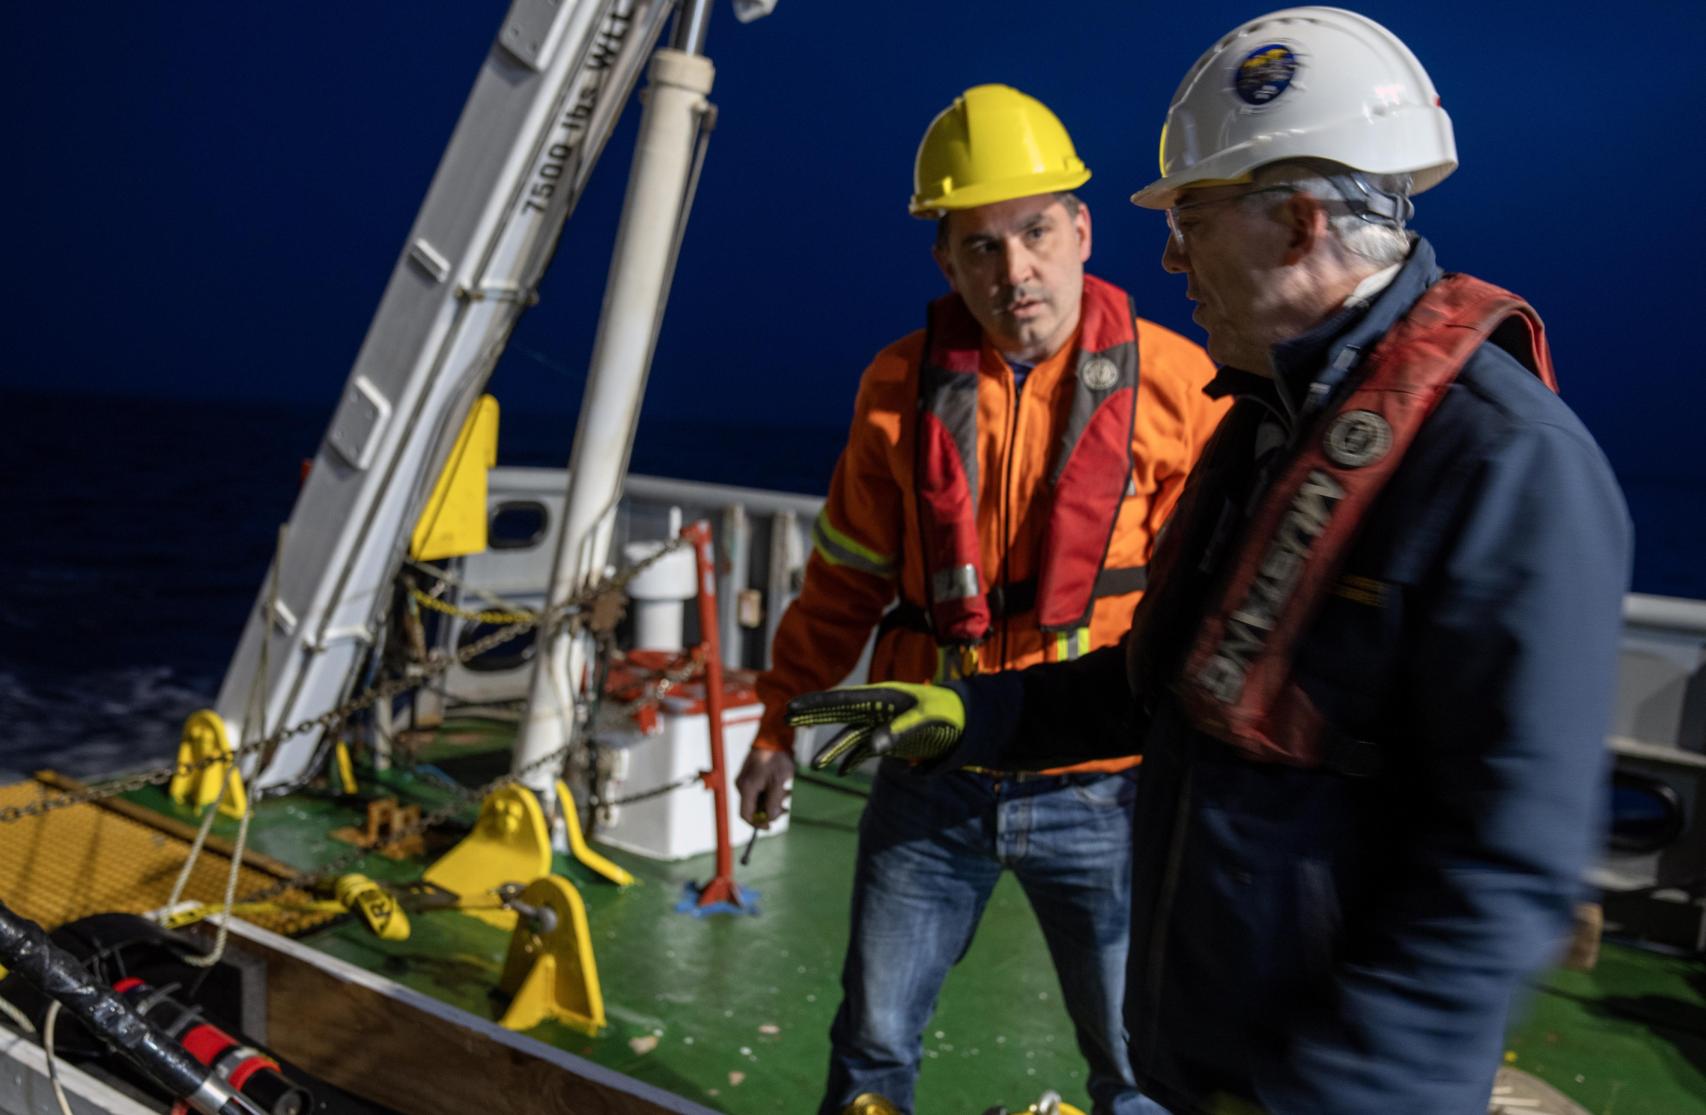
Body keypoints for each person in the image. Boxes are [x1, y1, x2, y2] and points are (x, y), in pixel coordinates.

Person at [788, 9, 1631, 1114]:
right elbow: (1164, 680)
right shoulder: (1271, 426)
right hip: (1209, 1050)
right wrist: (978, 717)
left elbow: (1496, 875)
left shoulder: (1503, 464)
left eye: (1190, 218)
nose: (1171, 254)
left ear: (1294, 223)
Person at [735, 84, 1226, 1115]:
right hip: (931, 772)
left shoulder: (1181, 387)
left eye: (1034, 230)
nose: (1013, 271)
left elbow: (1208, 614)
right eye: (979, 246)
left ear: (1081, 228)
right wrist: (780, 721)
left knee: (1135, 1062)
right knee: (871, 1038)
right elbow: (842, 580)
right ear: (944, 262)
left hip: (1105, 785)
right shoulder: (895, 386)